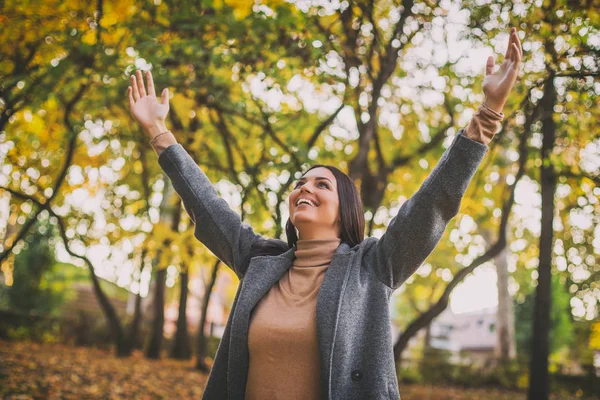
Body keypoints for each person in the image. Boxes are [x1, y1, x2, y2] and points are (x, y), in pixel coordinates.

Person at [128, 27, 522, 400]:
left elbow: (433, 202)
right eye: (301, 182)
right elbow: (208, 206)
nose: (305, 188)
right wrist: (160, 134)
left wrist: (488, 114)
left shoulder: (373, 266)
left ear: (345, 208)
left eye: (322, 184)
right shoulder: (259, 260)